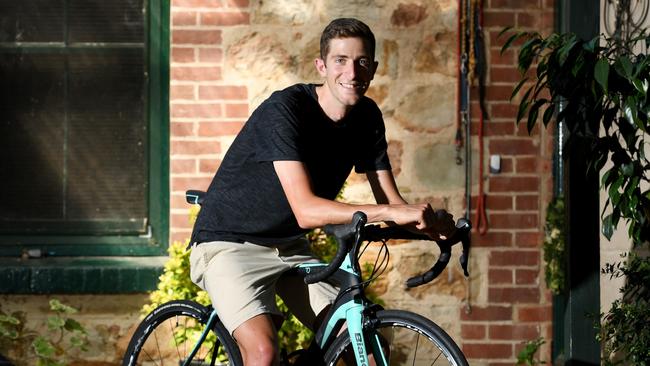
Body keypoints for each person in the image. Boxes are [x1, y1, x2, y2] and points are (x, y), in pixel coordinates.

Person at [189, 17, 456, 366]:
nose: (352, 71)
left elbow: (393, 205)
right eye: (341, 60)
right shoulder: (285, 110)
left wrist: (430, 226)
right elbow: (306, 210)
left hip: (290, 246)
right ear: (322, 66)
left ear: (374, 68)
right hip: (229, 243)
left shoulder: (367, 117)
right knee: (264, 353)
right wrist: (392, 213)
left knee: (369, 348)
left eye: (362, 62)